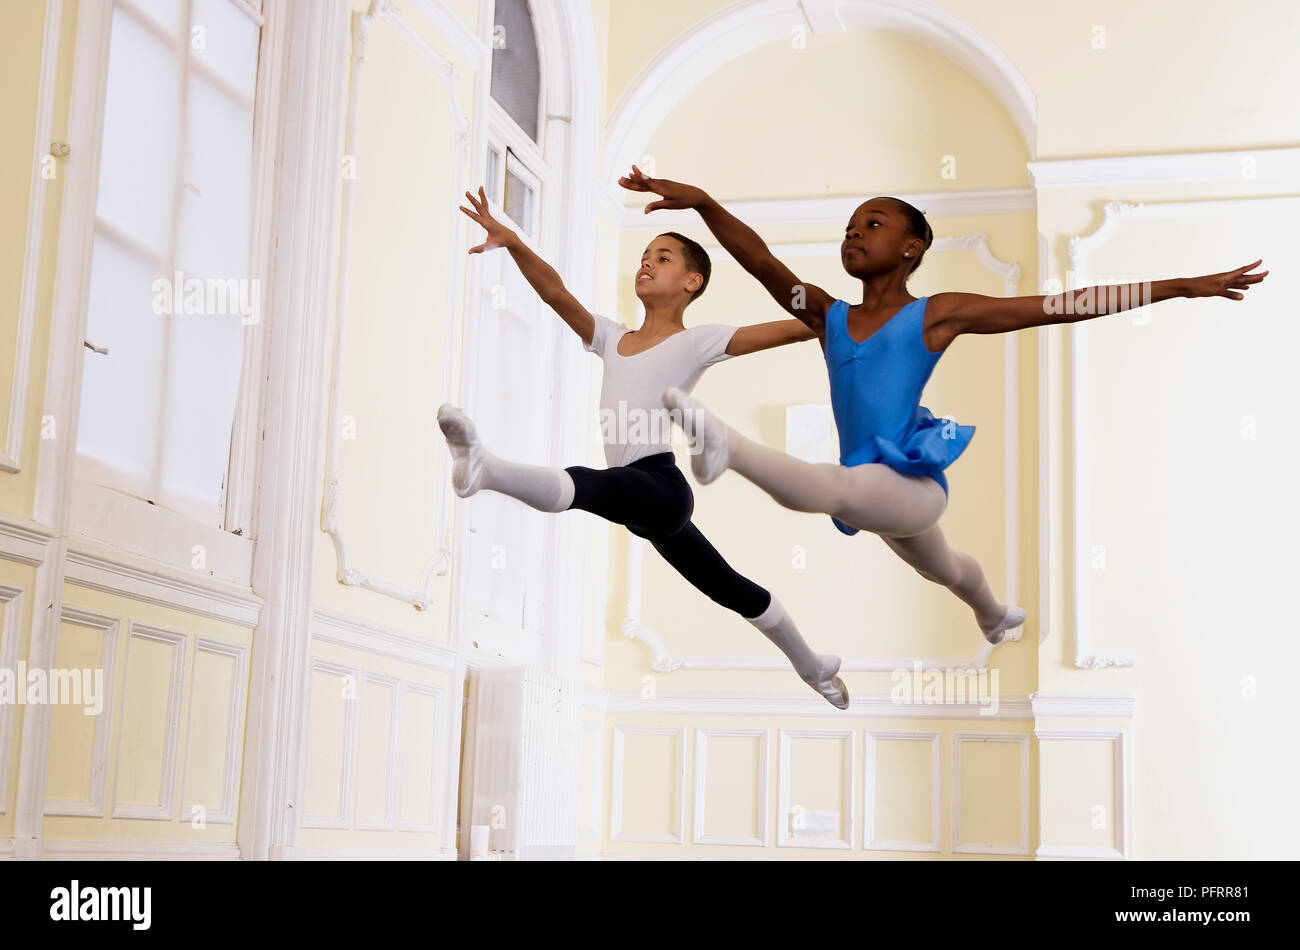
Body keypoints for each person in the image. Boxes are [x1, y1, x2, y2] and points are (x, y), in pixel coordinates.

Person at [619, 166, 1268, 661]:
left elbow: (1061, 305)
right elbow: (759, 259)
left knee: (840, 491)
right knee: (945, 569)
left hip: (910, 484)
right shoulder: (826, 314)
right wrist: (703, 203)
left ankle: (728, 447)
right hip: (878, 495)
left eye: (873, 224)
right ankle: (993, 615)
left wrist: (1181, 285)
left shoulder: (936, 314)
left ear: (911, 248)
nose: (855, 230)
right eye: (850, 224)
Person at [439, 187, 850, 707]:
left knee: (592, 486)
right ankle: (812, 666)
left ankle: (486, 471)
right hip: (642, 499)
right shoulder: (611, 337)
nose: (646, 264)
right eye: (643, 257)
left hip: (660, 487)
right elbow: (555, 293)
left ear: (691, 282)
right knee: (728, 585)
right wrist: (514, 242)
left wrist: (851, 322)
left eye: (662, 258)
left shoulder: (698, 340)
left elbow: (796, 328)